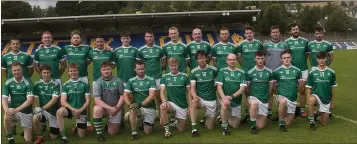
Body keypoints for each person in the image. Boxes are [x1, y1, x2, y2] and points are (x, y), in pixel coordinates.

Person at [62, 30, 93, 130]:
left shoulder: (87, 48)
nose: (76, 39)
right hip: (72, 77)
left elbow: (93, 57)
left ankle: (87, 121)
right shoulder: (66, 48)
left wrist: (85, 64)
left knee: (85, 99)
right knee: (75, 99)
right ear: (71, 39)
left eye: (77, 38)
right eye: (74, 38)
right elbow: (58, 56)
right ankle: (78, 122)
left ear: (81, 39)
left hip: (83, 77)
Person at [56, 64, 91, 144]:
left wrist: (80, 110)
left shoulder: (85, 84)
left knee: (81, 136)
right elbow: (63, 101)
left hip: (81, 111)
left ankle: (78, 126)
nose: (73, 73)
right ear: (68, 73)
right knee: (59, 112)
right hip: (71, 110)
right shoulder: (66, 85)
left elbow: (88, 101)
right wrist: (73, 109)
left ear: (78, 71)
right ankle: (64, 137)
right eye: (71, 71)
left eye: (75, 71)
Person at [2, 61, 34, 144]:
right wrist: (7, 111)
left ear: (22, 70)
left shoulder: (28, 82)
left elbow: (29, 100)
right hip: (14, 110)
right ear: (12, 71)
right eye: (15, 70)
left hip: (26, 112)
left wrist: (16, 110)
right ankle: (10, 137)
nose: (16, 72)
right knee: (6, 117)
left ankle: (29, 128)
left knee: (28, 140)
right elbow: (4, 99)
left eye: (18, 70)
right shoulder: (8, 82)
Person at [123, 61, 156, 140]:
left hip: (149, 107)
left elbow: (152, 96)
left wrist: (140, 104)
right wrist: (129, 105)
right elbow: (125, 95)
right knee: (133, 109)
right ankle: (134, 132)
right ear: (135, 69)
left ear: (145, 69)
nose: (141, 71)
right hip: (138, 108)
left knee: (148, 132)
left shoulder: (151, 80)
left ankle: (154, 115)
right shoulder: (131, 81)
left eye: (142, 69)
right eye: (138, 69)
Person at [92, 61, 125, 142]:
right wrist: (110, 108)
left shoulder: (118, 81)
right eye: (104, 69)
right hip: (104, 109)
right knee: (96, 109)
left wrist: (116, 108)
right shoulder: (97, 83)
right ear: (100, 70)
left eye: (108, 69)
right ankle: (99, 135)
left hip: (115, 109)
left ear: (111, 70)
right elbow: (97, 100)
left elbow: (122, 96)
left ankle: (108, 124)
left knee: (113, 133)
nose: (106, 71)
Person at [237, 26, 264, 123]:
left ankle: (259, 111)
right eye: (247, 33)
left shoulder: (258, 43)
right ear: (244, 34)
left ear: (253, 33)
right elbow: (239, 57)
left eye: (250, 33)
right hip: (246, 72)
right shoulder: (241, 44)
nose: (249, 34)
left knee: (257, 90)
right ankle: (247, 114)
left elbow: (262, 56)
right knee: (246, 93)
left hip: (257, 71)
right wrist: (244, 67)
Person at [159, 57, 190, 138]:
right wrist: (164, 101)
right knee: (163, 107)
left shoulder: (184, 76)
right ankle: (167, 131)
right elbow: (162, 91)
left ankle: (175, 122)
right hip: (171, 104)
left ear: (178, 65)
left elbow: (189, 92)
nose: (173, 67)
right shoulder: (165, 77)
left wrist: (189, 106)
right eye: (171, 66)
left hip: (182, 105)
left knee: (181, 129)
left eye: (175, 65)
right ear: (169, 66)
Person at [216, 53, 246, 135]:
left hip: (236, 101)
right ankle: (224, 127)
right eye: (230, 60)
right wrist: (224, 98)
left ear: (236, 60)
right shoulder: (222, 71)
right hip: (225, 99)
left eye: (233, 59)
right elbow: (219, 87)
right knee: (225, 104)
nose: (232, 61)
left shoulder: (241, 72)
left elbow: (242, 89)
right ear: (226, 61)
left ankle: (223, 117)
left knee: (235, 126)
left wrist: (232, 96)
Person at [306, 51, 337, 131]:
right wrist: (308, 99)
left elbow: (333, 88)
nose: (321, 60)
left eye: (323, 58)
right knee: (311, 100)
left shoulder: (331, 72)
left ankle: (319, 115)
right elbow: (308, 87)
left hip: (326, 98)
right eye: (319, 58)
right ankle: (312, 122)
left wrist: (332, 102)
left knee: (324, 123)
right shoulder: (312, 72)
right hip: (316, 95)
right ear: (317, 60)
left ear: (326, 59)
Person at [189, 50, 218, 137]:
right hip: (200, 98)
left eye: (203, 58)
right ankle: (194, 128)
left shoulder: (214, 70)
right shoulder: (194, 72)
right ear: (197, 60)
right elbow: (192, 88)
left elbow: (217, 85)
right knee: (193, 103)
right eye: (199, 58)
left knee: (209, 127)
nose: (201, 60)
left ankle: (206, 118)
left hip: (211, 99)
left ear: (206, 58)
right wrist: (195, 96)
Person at [137, 30, 166, 113]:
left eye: (151, 36)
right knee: (146, 97)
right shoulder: (140, 50)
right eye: (147, 36)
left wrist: (159, 70)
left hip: (157, 78)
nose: (149, 38)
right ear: (145, 38)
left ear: (153, 37)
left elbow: (164, 63)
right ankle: (146, 116)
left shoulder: (160, 49)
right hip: (145, 78)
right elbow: (138, 65)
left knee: (158, 98)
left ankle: (162, 118)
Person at [273, 49, 302, 132]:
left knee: (288, 122)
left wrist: (294, 92)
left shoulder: (297, 70)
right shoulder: (277, 71)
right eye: (284, 58)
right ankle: (281, 123)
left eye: (288, 57)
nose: (286, 59)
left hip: (292, 98)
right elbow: (273, 87)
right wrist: (278, 94)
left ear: (291, 58)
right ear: (281, 59)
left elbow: (300, 86)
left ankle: (283, 114)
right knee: (283, 102)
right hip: (281, 96)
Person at [263, 25, 288, 119]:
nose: (275, 33)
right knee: (269, 92)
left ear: (279, 33)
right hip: (269, 72)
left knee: (280, 92)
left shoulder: (284, 45)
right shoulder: (265, 45)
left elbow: (287, 58)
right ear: (270, 34)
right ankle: (268, 111)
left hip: (280, 73)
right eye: (273, 32)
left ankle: (280, 111)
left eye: (277, 32)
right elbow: (263, 58)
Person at [246, 50, 274, 134]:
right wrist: (250, 98)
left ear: (265, 58)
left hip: (264, 100)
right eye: (258, 58)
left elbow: (270, 89)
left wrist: (265, 96)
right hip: (253, 97)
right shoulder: (250, 72)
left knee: (261, 126)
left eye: (262, 58)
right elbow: (247, 89)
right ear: (255, 59)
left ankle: (251, 118)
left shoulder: (270, 72)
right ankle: (253, 127)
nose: (260, 60)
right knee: (254, 104)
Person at [113, 31, 138, 125]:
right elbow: (113, 66)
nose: (126, 40)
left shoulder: (135, 50)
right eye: (124, 38)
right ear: (121, 40)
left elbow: (139, 65)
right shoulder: (116, 51)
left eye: (127, 38)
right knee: (121, 102)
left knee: (133, 101)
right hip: (121, 80)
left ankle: (135, 118)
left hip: (133, 80)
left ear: (130, 39)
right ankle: (121, 121)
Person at [285, 23, 309, 118]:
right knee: (292, 90)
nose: (295, 31)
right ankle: (292, 110)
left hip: (303, 70)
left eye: (297, 29)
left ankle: (302, 110)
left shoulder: (305, 41)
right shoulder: (287, 42)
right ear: (290, 31)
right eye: (293, 29)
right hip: (292, 70)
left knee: (302, 90)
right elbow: (286, 56)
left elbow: (307, 55)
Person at [33, 64, 61, 144]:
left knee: (53, 137)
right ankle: (39, 136)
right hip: (43, 111)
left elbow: (54, 100)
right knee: (35, 117)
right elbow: (34, 99)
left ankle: (53, 127)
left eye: (48, 72)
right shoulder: (37, 84)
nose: (46, 75)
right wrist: (36, 109)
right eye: (44, 73)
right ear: (41, 73)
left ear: (50, 73)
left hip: (53, 112)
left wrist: (42, 108)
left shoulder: (55, 84)